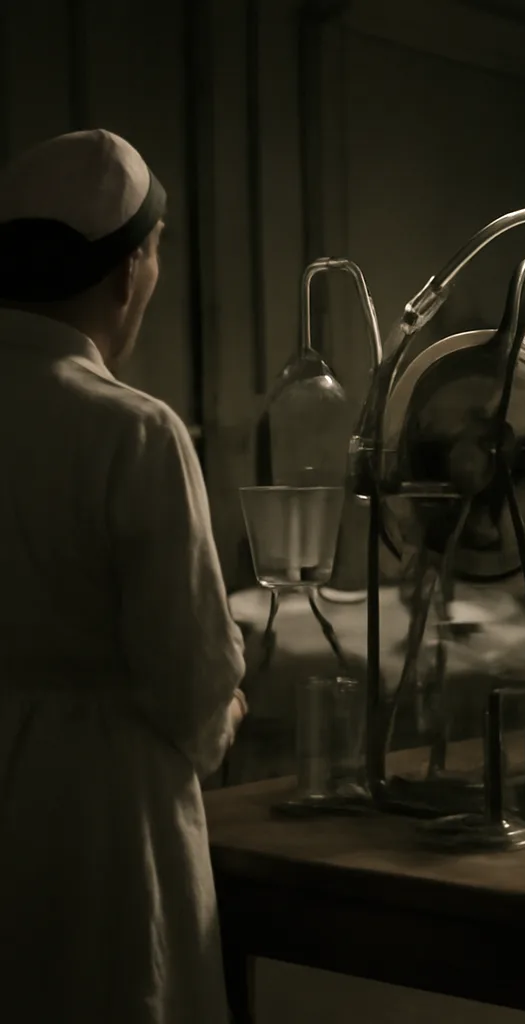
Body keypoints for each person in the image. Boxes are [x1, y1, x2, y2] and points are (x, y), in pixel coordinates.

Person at [0, 131, 246, 1023]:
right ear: (127, 272)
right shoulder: (132, 431)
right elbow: (190, 678)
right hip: (102, 823)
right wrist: (221, 716)